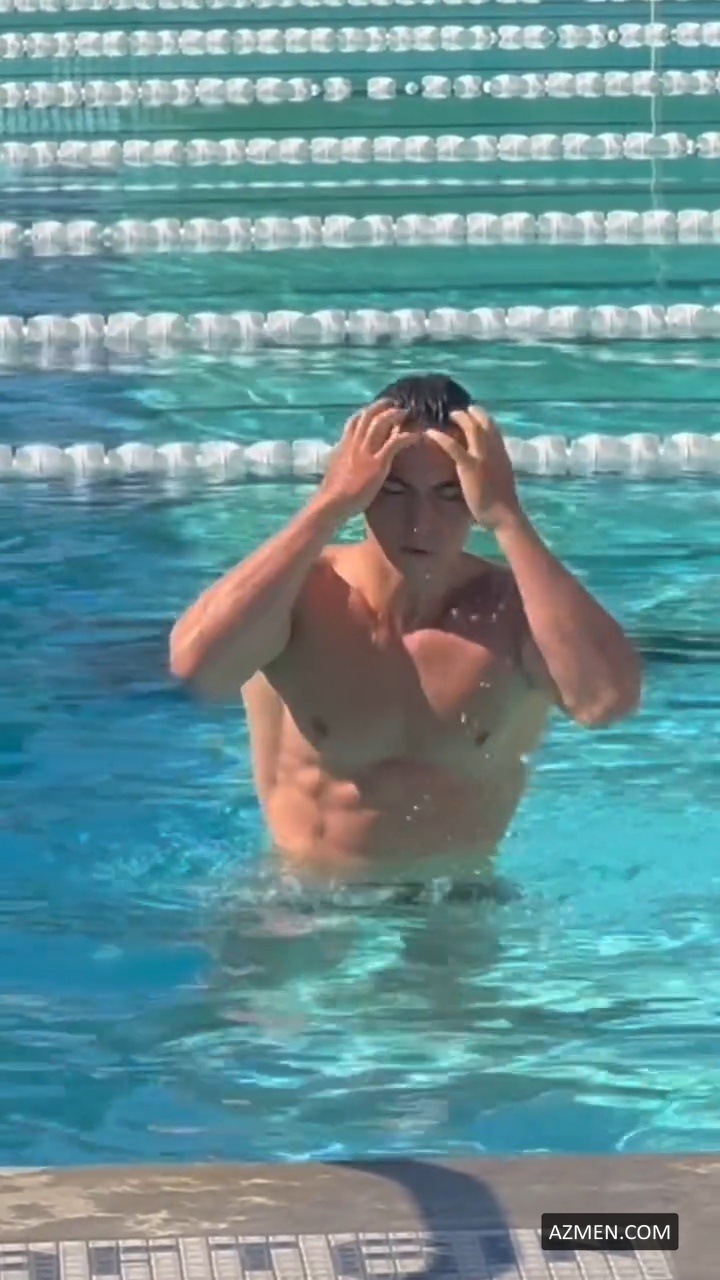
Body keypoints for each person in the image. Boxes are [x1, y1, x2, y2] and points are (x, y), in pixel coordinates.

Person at [169, 374, 642, 900]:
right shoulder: (296, 596)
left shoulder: (517, 613)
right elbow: (198, 670)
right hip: (305, 896)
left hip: (457, 899)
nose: (421, 522)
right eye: (393, 490)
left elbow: (605, 703)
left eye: (449, 493)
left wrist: (508, 518)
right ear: (363, 485)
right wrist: (328, 503)